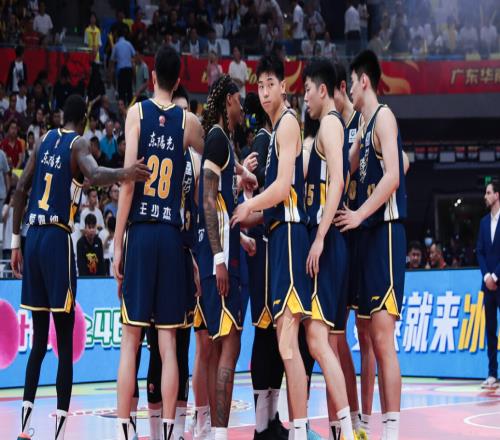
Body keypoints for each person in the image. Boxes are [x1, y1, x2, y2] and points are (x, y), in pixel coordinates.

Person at [10, 93, 150, 440]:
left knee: (38, 342)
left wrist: (15, 242)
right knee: (64, 341)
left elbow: (21, 189)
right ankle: (58, 430)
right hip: (57, 239)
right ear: (85, 121)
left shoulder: (44, 140)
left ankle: (24, 428)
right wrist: (126, 172)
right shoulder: (78, 145)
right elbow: (96, 173)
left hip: (32, 237)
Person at [112, 45, 204, 440]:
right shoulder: (188, 121)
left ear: (152, 77)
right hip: (169, 235)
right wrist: (239, 170)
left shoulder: (136, 113)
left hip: (141, 231)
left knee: (130, 342)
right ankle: (168, 430)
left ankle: (123, 430)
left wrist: (118, 242)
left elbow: (128, 181)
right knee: (169, 344)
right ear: (179, 80)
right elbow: (213, 154)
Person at [232, 54, 311, 439]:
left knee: (289, 344)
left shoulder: (289, 123)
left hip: (291, 233)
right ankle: (286, 426)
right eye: (259, 86)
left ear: (284, 86)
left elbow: (282, 188)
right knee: (284, 341)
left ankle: (300, 429)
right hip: (278, 235)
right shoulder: (278, 125)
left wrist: (249, 204)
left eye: (270, 85)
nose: (264, 93)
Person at [335, 50, 407, 440]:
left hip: (385, 234)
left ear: (363, 80)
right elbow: (346, 170)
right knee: (365, 334)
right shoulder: (363, 125)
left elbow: (394, 175)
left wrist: (360, 213)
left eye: (352, 81)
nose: (350, 88)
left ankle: (391, 433)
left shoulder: (385, 117)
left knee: (382, 339)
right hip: (364, 238)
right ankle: (363, 422)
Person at [196, 74, 256, 440]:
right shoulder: (218, 138)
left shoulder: (220, 141)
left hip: (218, 251)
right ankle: (218, 433)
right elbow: (207, 199)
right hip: (221, 260)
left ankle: (211, 430)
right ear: (229, 100)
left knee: (216, 346)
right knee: (229, 347)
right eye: (240, 100)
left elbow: (220, 200)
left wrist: (240, 238)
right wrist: (220, 256)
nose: (243, 106)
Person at [302, 58, 357, 440]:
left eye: (307, 90)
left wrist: (320, 237)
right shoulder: (325, 128)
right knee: (328, 343)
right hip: (330, 242)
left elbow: (336, 181)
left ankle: (347, 429)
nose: (304, 97)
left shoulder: (331, 124)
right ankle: (341, 428)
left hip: (328, 242)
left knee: (317, 341)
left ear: (323, 90)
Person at [333, 61, 376, 437]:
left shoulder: (366, 120)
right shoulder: (332, 127)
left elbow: (402, 162)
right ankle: (349, 413)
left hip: (363, 233)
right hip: (339, 236)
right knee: (336, 332)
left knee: (366, 332)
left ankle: (365, 416)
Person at [477, 180, 500, 389]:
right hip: (488, 285)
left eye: (488, 192)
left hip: (499, 281)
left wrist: (496, 275)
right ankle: (492, 373)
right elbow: (480, 251)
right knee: (490, 330)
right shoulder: (484, 222)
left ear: (497, 195)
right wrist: (486, 276)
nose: (485, 196)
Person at [110, 25, 136, 105]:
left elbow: (112, 61)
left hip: (121, 72)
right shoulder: (129, 44)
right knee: (129, 92)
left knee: (121, 94)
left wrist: (110, 75)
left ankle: (122, 110)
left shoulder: (116, 46)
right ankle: (130, 110)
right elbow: (134, 55)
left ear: (117, 36)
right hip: (129, 70)